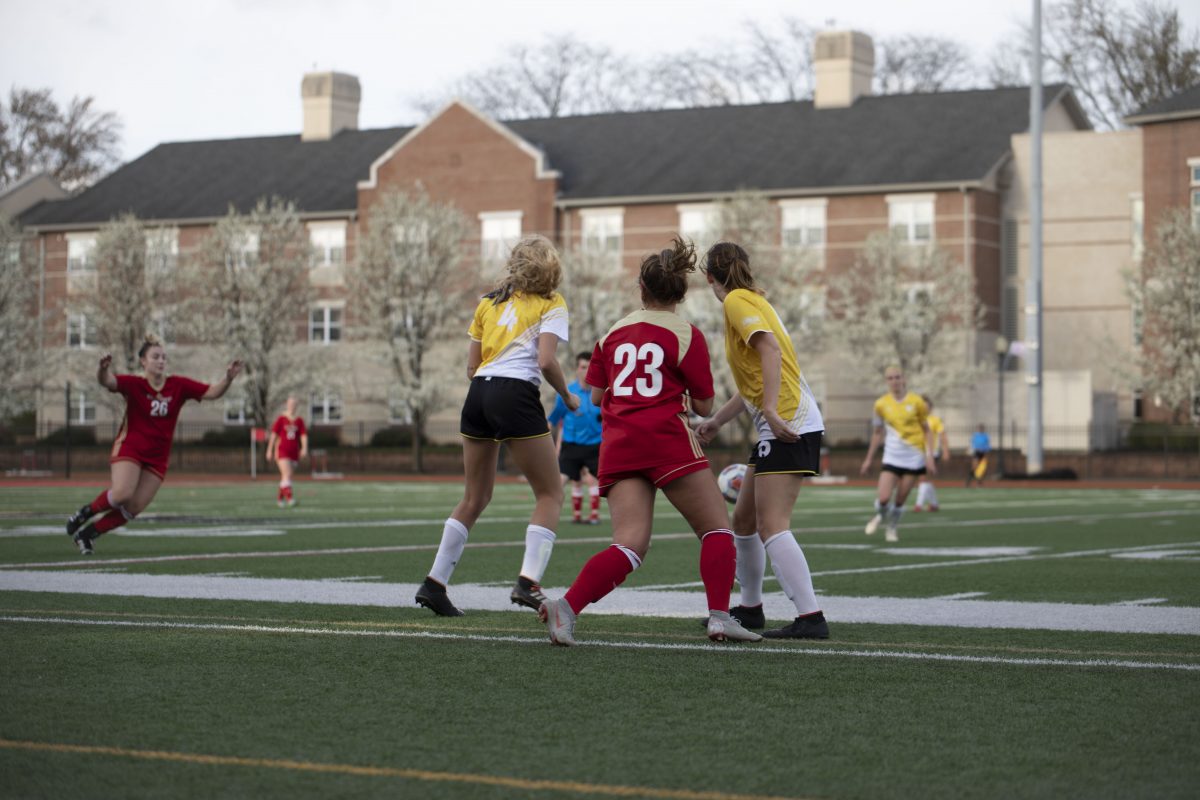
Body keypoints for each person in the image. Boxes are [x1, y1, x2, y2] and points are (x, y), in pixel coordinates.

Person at [539, 237, 761, 646]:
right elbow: (705, 403)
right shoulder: (687, 334)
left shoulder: (611, 335)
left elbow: (596, 397)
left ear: (641, 289)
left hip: (620, 444)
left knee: (629, 545)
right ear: (680, 292)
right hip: (666, 440)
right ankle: (719, 617)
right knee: (716, 530)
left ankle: (566, 607)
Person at [416, 234, 578, 617]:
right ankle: (528, 582)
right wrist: (568, 397)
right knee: (550, 493)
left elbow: (471, 367)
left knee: (474, 497)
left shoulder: (488, 302)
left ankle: (434, 584)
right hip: (515, 394)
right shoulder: (552, 303)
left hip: (478, 394)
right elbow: (546, 361)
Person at [692, 241, 830, 640]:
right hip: (783, 420)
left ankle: (811, 616)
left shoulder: (735, 301)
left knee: (772, 525)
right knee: (744, 520)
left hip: (788, 421)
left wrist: (769, 410)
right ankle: (750, 610)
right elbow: (755, 374)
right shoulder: (753, 299)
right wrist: (718, 418)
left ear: (709, 278)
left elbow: (769, 352)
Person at [65, 334, 243, 554]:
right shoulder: (134, 384)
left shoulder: (178, 385)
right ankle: (85, 512)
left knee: (133, 508)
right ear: (143, 361)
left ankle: (88, 534)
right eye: (155, 356)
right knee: (122, 494)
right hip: (131, 448)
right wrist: (102, 369)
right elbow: (107, 381)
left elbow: (212, 392)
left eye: (164, 357)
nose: (161, 361)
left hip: (157, 457)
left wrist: (228, 378)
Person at [860, 366, 937, 543]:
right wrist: (868, 459)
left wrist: (929, 456)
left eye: (897, 377)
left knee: (900, 499)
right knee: (884, 497)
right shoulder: (881, 404)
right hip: (892, 455)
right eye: (890, 378)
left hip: (914, 457)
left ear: (904, 379)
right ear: (886, 381)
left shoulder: (917, 402)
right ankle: (880, 515)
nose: (894, 381)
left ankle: (892, 527)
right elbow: (878, 432)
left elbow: (927, 430)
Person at [547, 352, 603, 525]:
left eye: (589, 367)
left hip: (595, 447)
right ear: (577, 369)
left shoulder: (601, 392)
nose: (586, 371)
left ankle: (634, 531)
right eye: (583, 367)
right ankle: (541, 524)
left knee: (616, 486)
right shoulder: (567, 392)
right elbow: (552, 421)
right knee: (556, 487)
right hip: (571, 447)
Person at [266, 396, 308, 508]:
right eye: (290, 404)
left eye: (294, 404)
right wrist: (269, 450)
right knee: (287, 474)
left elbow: (303, 436)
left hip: (294, 452)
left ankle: (280, 500)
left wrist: (304, 448)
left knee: (286, 477)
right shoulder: (281, 419)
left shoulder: (299, 420)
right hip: (282, 450)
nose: (292, 406)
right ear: (287, 404)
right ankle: (290, 498)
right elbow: (274, 435)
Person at [913, 395, 950, 512]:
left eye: (927, 406)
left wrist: (945, 451)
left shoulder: (935, 420)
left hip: (931, 453)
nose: (924, 408)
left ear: (931, 408)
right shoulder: (916, 420)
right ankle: (934, 504)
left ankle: (918, 505)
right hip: (918, 452)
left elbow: (942, 435)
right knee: (926, 479)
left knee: (923, 478)